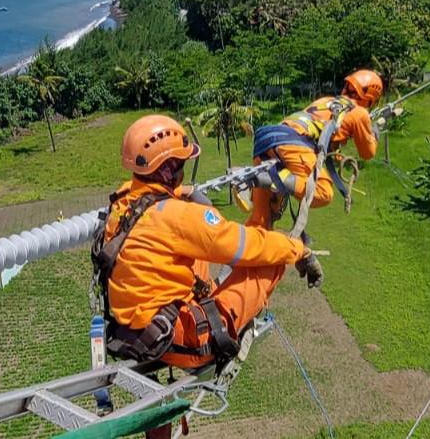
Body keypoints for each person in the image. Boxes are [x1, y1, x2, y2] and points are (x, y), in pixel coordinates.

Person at [93, 114, 321, 370]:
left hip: (138, 330)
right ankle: (219, 320)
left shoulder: (123, 200)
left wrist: (185, 192)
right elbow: (247, 247)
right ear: (167, 169)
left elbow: (159, 199)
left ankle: (205, 296)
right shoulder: (179, 217)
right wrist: (299, 250)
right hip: (180, 341)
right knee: (273, 256)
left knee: (194, 254)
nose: (182, 170)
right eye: (179, 163)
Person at [247, 68, 385, 229]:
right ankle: (268, 178)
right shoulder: (359, 113)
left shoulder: (327, 102)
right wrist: (374, 132)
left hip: (266, 139)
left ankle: (254, 240)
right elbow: (367, 153)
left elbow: (323, 135)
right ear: (370, 99)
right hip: (293, 142)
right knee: (322, 192)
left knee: (261, 220)